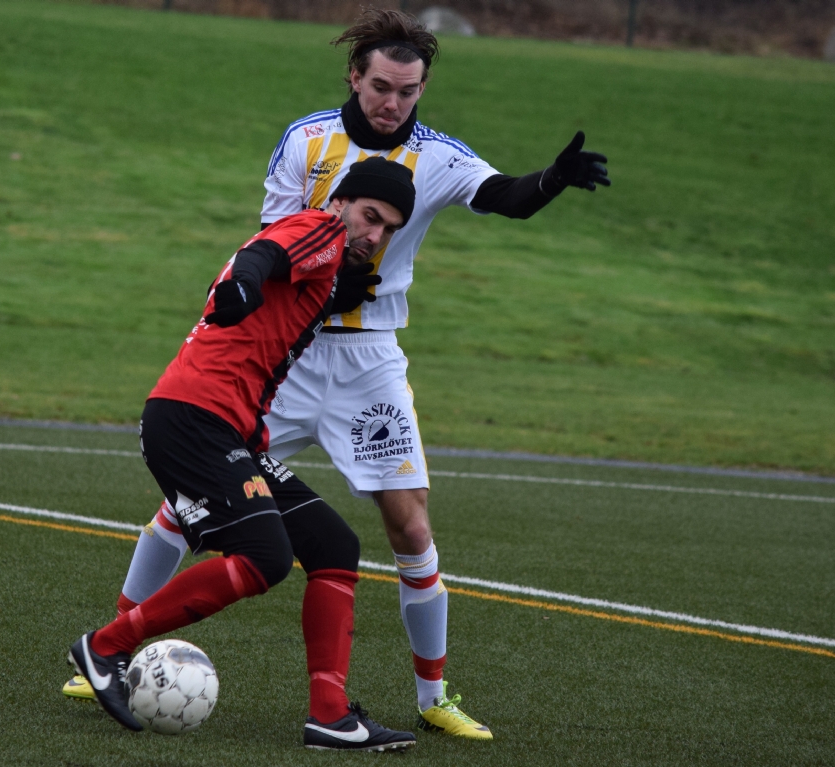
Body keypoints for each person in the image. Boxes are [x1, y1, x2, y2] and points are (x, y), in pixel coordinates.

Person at [70, 9, 610, 740]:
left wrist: (551, 179)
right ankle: (105, 652)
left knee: (405, 524)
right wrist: (261, 285)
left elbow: (504, 197)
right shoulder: (307, 142)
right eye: (381, 86)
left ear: (422, 91)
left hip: (370, 358)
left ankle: (430, 697)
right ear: (355, 77)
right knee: (196, 504)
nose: (393, 102)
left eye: (408, 91)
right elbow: (273, 244)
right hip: (284, 354)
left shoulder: (438, 156)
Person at [69, 159, 420, 751]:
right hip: (193, 419)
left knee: (333, 545)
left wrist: (327, 297)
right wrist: (244, 285)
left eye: (388, 228)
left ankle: (330, 716)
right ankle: (104, 647)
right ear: (340, 202)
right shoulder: (320, 228)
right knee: (265, 557)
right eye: (370, 216)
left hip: (226, 430)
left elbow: (286, 291)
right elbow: (264, 256)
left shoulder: (327, 261)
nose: (374, 235)